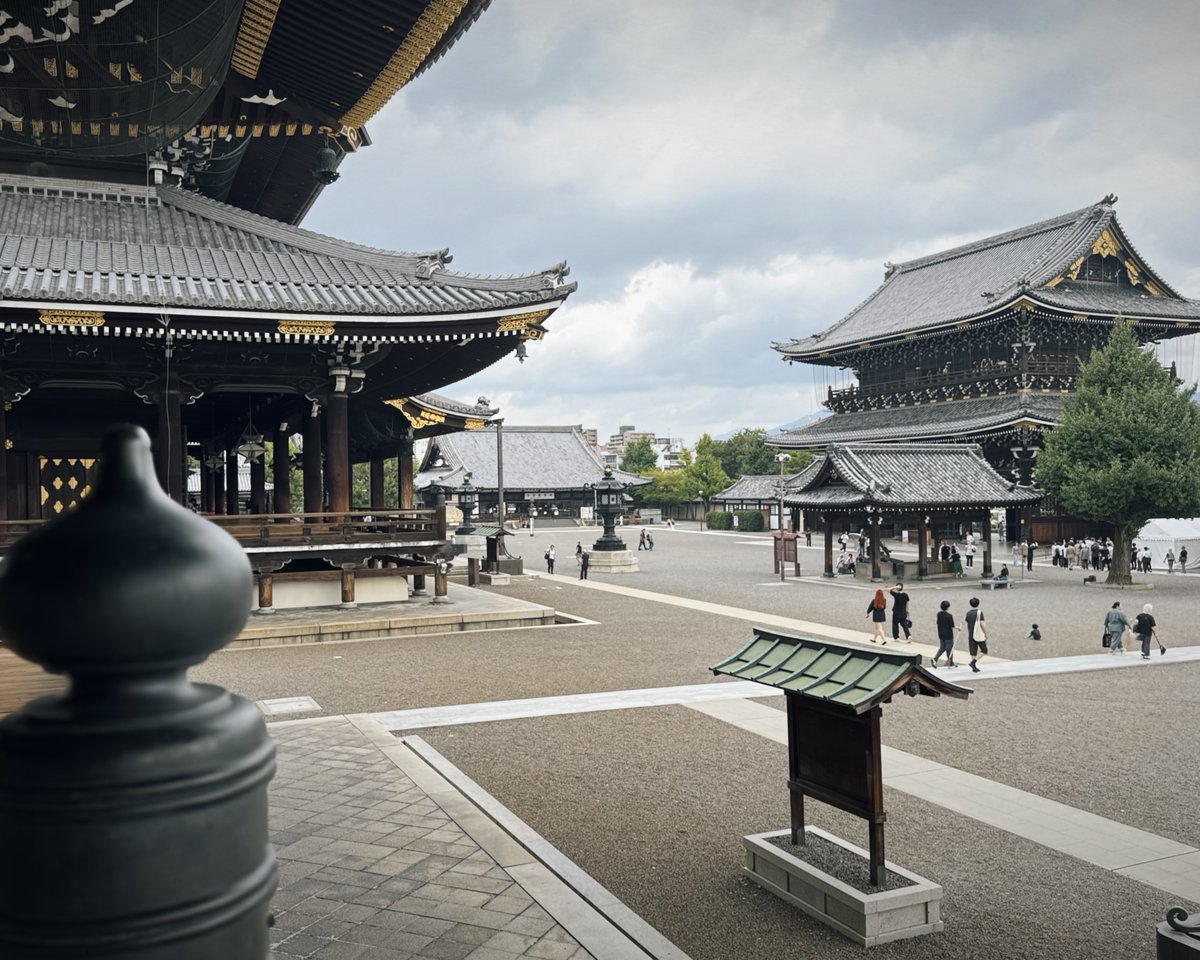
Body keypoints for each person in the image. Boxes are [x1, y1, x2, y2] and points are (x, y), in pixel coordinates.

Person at [931, 600, 957, 668]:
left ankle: (935, 659)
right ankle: (950, 662)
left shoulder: (939, 614)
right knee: (949, 649)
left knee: (942, 648)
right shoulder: (949, 616)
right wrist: (958, 628)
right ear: (947, 607)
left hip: (941, 634)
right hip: (948, 634)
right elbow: (952, 625)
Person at [964, 596, 987, 672]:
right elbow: (982, 623)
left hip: (971, 633)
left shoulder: (968, 613)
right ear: (978, 604)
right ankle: (973, 663)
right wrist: (985, 633)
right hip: (979, 634)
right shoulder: (979, 612)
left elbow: (967, 622)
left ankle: (974, 667)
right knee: (984, 650)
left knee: (973, 651)